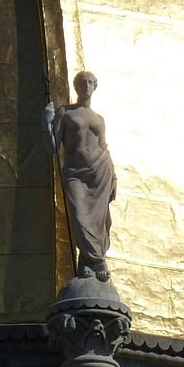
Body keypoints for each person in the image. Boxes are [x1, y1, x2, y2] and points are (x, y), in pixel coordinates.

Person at [43, 71, 117, 281]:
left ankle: (88, 262)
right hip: (75, 173)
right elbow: (52, 146)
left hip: (100, 172)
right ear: (75, 87)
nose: (86, 86)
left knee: (98, 221)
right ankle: (97, 261)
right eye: (82, 83)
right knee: (79, 217)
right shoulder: (65, 113)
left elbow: (103, 147)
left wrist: (113, 177)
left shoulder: (99, 119)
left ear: (95, 86)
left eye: (90, 83)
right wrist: (46, 124)